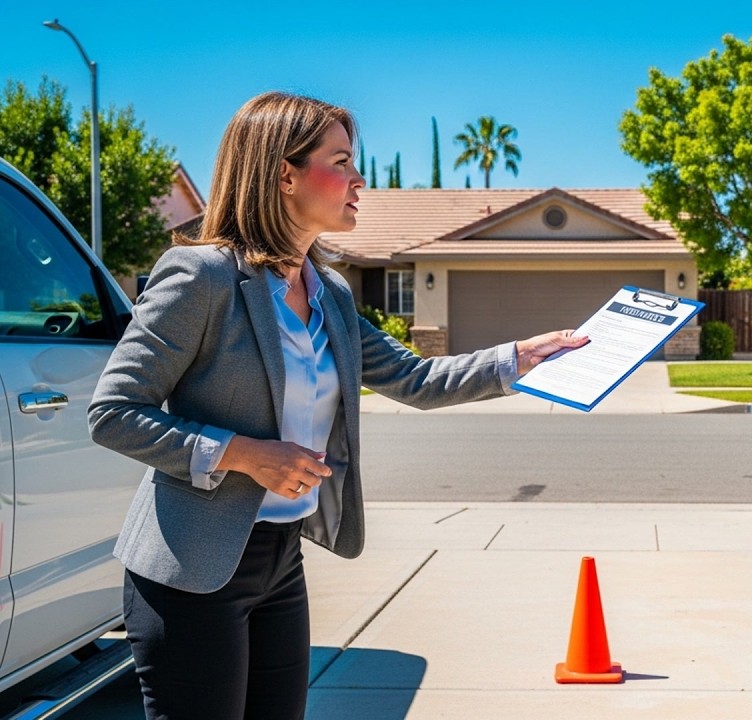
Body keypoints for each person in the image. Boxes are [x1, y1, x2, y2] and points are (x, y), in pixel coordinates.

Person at [88, 91, 588, 720]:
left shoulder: (329, 292)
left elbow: (414, 378)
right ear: (284, 175)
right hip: (192, 569)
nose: (359, 180)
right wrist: (243, 454)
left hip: (280, 562)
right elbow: (113, 412)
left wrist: (521, 357)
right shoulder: (201, 277)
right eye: (342, 162)